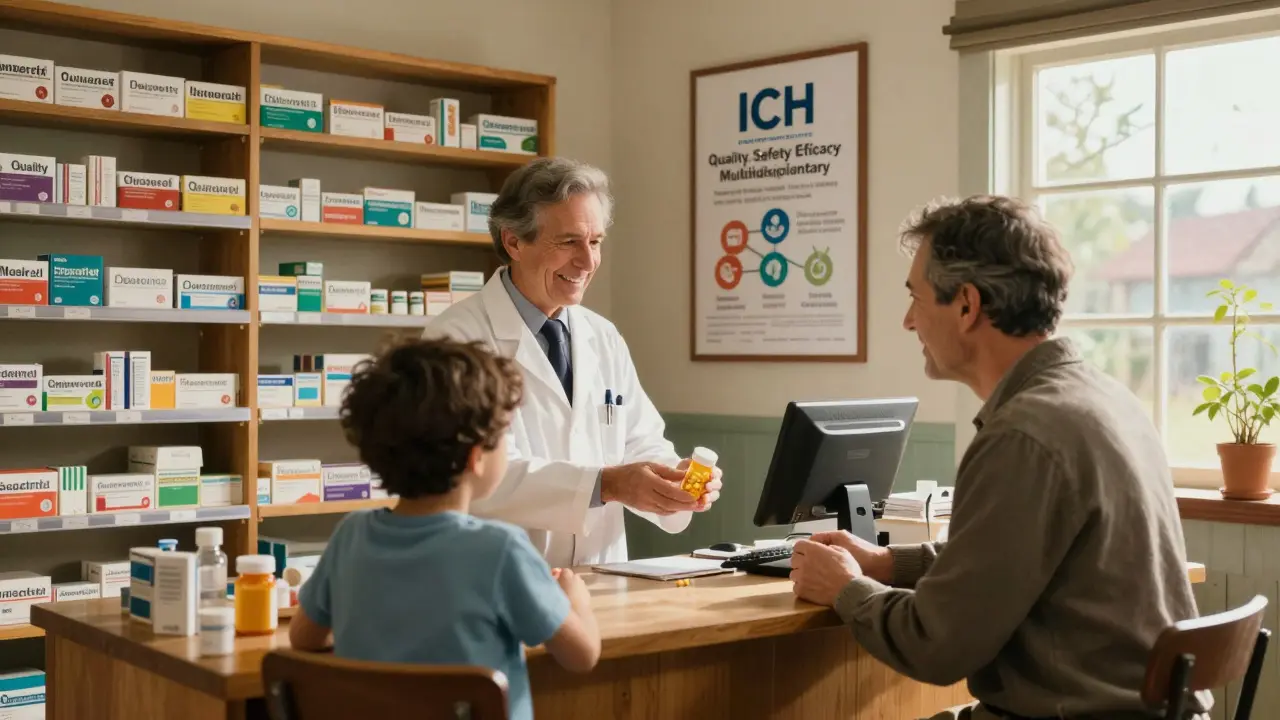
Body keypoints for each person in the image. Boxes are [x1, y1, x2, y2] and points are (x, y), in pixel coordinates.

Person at [788, 195, 1202, 720]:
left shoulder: (1023, 436)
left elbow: (935, 645)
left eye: (916, 298)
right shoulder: (1105, 399)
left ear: (966, 305)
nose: (908, 321)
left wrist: (847, 588)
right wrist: (888, 563)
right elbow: (1010, 559)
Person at [423, 157, 722, 567]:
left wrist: (674, 480)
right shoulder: (455, 339)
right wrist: (608, 484)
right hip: (497, 584)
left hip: (601, 580)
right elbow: (477, 475)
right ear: (513, 242)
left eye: (595, 241)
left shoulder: (602, 337)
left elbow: (641, 440)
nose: (587, 261)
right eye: (568, 242)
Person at [289, 338, 601, 720]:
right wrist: (575, 600)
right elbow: (582, 655)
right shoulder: (500, 550)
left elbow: (303, 639)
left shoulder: (351, 535)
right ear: (476, 458)